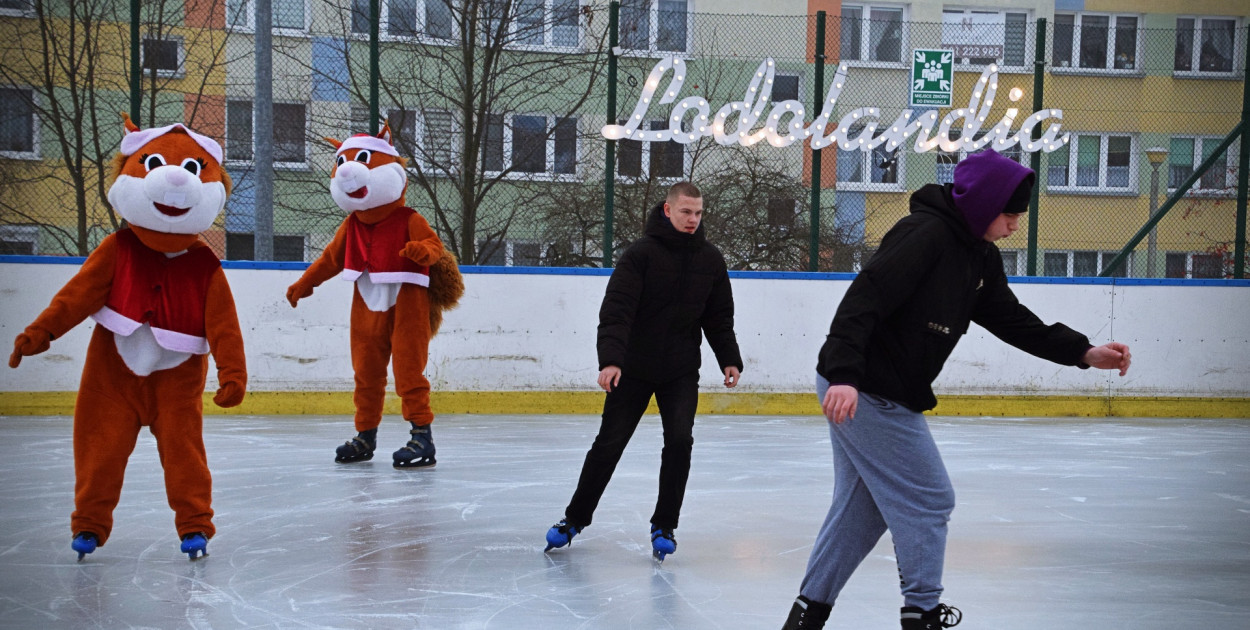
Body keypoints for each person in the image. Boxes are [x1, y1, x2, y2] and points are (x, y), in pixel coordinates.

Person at [781, 149, 1132, 630]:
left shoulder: (979, 255)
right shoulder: (923, 236)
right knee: (929, 498)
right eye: (1010, 214)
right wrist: (845, 375)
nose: (1014, 226)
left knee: (862, 509)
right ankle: (921, 614)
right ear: (985, 203)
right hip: (865, 385)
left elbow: (1011, 319)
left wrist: (1083, 352)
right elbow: (865, 298)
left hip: (884, 386)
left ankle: (806, 616)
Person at [544, 181, 744, 562]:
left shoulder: (710, 260)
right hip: (633, 368)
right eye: (686, 212)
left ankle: (664, 524)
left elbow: (719, 318)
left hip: (681, 370)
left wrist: (728, 358)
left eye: (699, 213)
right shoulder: (640, 255)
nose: (693, 220)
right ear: (668, 211)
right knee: (609, 444)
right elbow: (616, 312)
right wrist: (611, 360)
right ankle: (574, 519)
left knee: (680, 442)